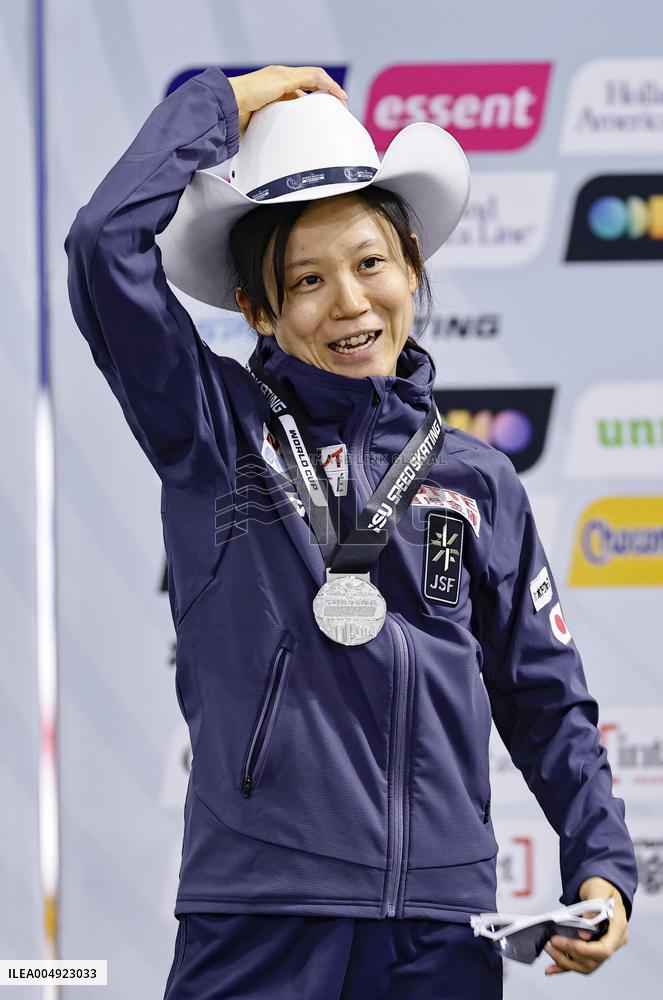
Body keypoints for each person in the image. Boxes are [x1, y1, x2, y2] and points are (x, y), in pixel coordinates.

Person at [64, 64, 637, 999]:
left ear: (411, 265)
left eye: (370, 263)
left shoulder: (478, 480)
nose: (349, 302)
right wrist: (222, 101)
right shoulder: (212, 430)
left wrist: (603, 863)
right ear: (256, 310)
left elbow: (545, 700)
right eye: (306, 280)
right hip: (259, 913)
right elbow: (102, 244)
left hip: (440, 932)